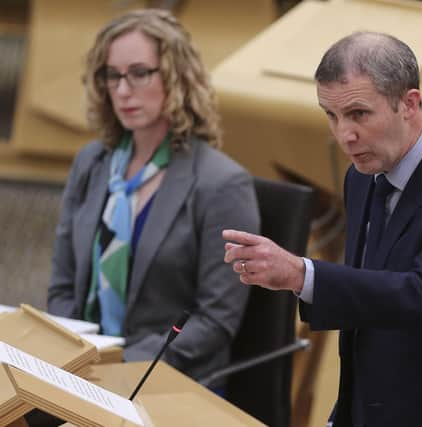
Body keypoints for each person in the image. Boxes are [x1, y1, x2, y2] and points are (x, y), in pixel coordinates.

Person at [223, 32, 422, 426]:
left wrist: (302, 273)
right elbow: (366, 312)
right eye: (331, 116)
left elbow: (419, 296)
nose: (344, 135)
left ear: (409, 103)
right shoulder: (362, 177)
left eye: (358, 114)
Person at [48, 9, 259, 391]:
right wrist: (73, 355)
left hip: (168, 379)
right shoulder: (92, 163)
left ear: (177, 78)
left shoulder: (222, 184)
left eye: (140, 73)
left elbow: (215, 320)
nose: (124, 90)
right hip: (82, 369)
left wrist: (121, 366)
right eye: (113, 75)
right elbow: (63, 288)